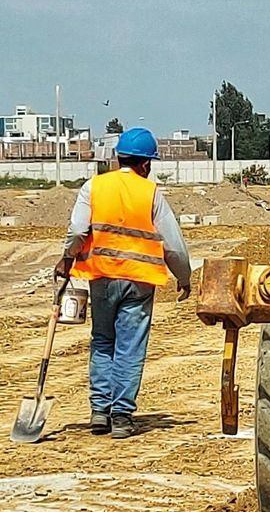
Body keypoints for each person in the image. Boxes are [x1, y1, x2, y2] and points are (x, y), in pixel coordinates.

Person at [55, 126, 192, 438]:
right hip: (139, 283)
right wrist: (184, 278)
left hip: (101, 277)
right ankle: (121, 416)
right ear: (146, 165)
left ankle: (99, 412)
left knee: (103, 341)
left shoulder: (93, 187)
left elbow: (77, 231)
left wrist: (66, 258)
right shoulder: (151, 193)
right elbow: (173, 245)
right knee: (130, 347)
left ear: (118, 159)